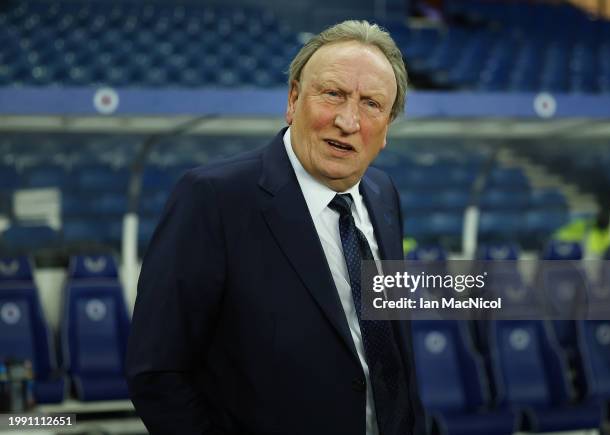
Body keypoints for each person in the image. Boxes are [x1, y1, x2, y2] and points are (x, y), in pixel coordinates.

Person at [126, 20, 426, 435]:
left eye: (371, 104)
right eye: (333, 94)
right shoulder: (212, 198)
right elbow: (157, 371)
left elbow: (389, 345)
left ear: (387, 128)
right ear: (293, 99)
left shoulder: (383, 193)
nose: (348, 121)